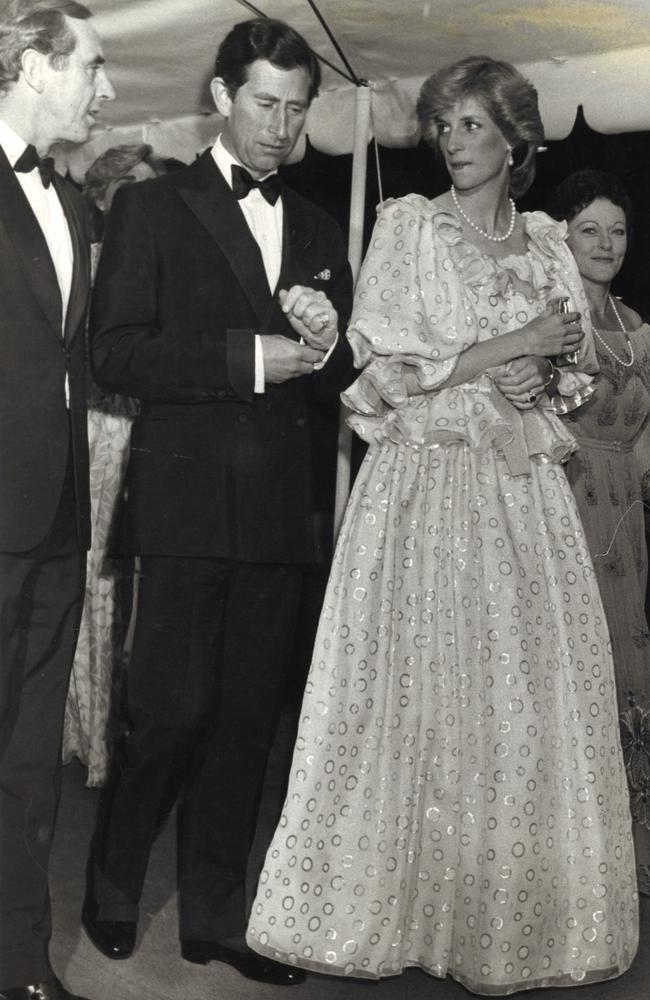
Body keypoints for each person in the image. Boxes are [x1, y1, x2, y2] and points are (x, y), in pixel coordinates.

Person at [246, 57, 639, 994]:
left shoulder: (548, 243)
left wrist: (543, 377)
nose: (453, 144)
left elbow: (571, 371)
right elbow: (380, 363)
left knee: (516, 698)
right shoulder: (409, 227)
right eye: (444, 127)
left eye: (470, 126)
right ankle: (391, 903)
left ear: (516, 139)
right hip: (424, 487)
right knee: (416, 687)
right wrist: (502, 350)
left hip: (524, 495)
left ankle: (497, 914)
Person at [81, 16, 354, 987]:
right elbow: (113, 352)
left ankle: (214, 917)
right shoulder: (156, 208)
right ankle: (111, 889)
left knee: (245, 722)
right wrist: (243, 359)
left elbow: (334, 377)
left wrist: (329, 349)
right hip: (187, 506)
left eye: (295, 109)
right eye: (265, 105)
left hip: (281, 517)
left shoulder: (320, 226)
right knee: (168, 714)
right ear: (220, 100)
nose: (281, 128)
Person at [0, 2, 114, 998]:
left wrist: (260, 346)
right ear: (36, 65)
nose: (105, 89)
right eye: (92, 68)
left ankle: (20, 964)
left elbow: (88, 355)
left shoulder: (75, 205)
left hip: (55, 521)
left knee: (30, 763)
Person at [547, 168, 650, 895]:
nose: (606, 243)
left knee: (629, 671)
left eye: (616, 230)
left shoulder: (638, 327)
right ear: (563, 236)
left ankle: (629, 850)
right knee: (569, 669)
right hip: (564, 506)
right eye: (590, 229)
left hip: (627, 521)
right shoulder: (550, 321)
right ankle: (569, 857)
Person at [62, 144, 162, 788]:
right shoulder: (87, 264)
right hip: (97, 436)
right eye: (138, 190)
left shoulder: (157, 266)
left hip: (147, 436)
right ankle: (84, 730)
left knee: (132, 590)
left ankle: (107, 731)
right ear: (106, 196)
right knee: (93, 579)